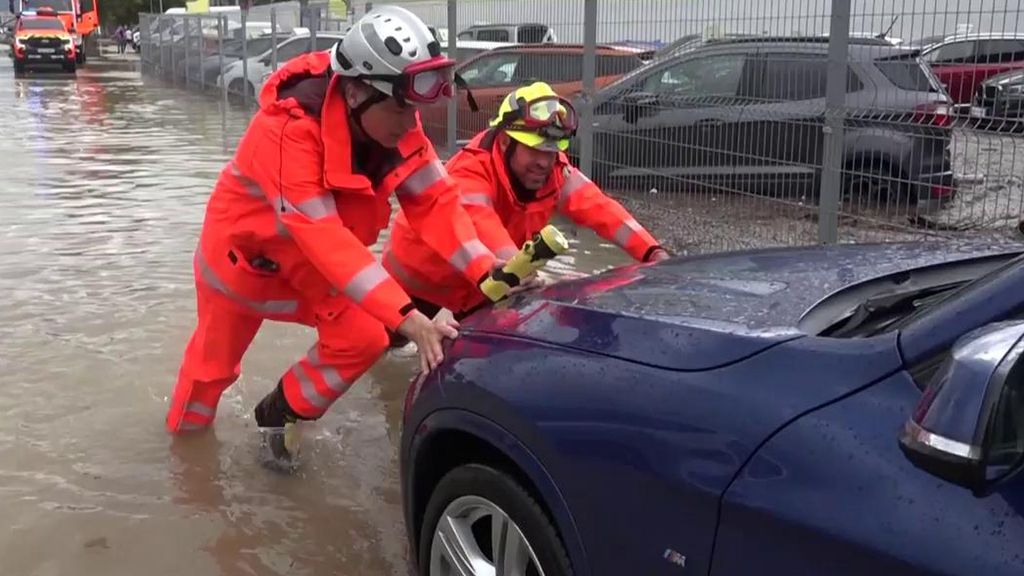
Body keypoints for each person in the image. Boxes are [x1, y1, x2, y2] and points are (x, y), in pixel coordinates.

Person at [165, 6, 501, 455]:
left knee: (363, 337)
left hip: (311, 265)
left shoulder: (393, 122)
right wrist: (412, 319)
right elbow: (322, 233)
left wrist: (484, 268)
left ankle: (277, 417)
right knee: (211, 373)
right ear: (360, 92)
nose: (410, 123)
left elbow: (436, 202)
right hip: (240, 267)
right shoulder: (286, 129)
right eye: (401, 109)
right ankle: (185, 461)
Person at [382, 81, 670, 324]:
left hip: (481, 285)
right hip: (418, 277)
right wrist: (524, 273)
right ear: (506, 143)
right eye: (535, 151)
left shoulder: (556, 170)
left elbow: (601, 209)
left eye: (552, 151)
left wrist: (653, 253)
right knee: (383, 345)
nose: (545, 162)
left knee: (480, 350)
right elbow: (483, 225)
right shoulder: (470, 171)